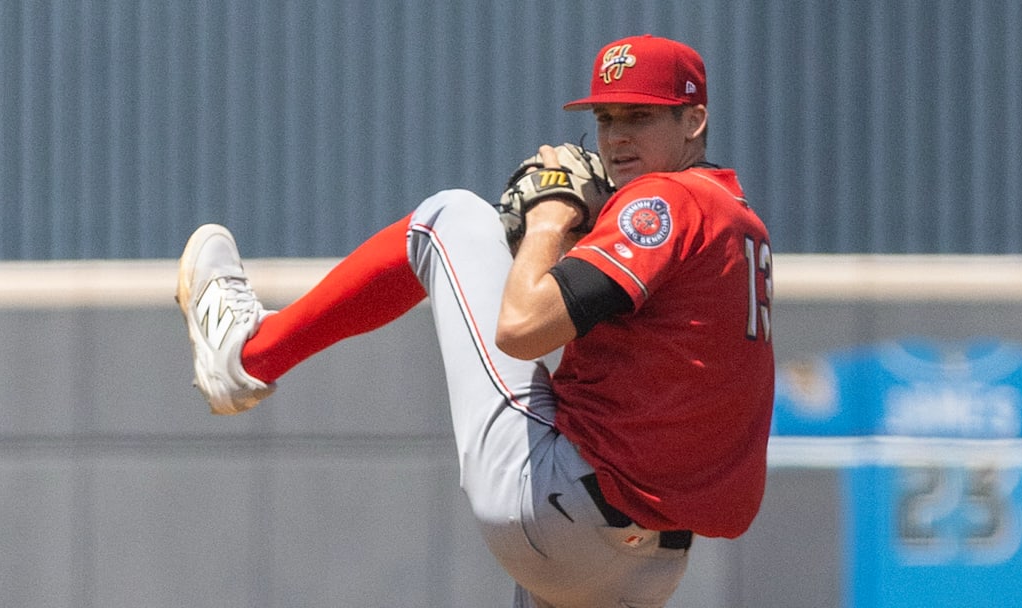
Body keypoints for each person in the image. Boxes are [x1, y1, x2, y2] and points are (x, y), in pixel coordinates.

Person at [177, 34, 774, 608]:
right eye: (605, 119)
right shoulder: (739, 221)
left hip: (560, 512)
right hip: (646, 568)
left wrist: (549, 216)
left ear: (693, 120)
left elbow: (519, 328)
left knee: (451, 217)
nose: (615, 138)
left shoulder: (667, 200)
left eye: (639, 117)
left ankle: (247, 356)